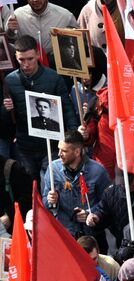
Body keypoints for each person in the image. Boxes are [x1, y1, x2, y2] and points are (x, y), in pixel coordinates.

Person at [1, 35, 78, 182]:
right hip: (24, 147)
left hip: (51, 145)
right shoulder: (10, 81)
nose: (26, 64)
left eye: (30, 59)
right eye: (21, 60)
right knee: (31, 186)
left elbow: (67, 109)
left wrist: (73, 136)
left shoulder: (54, 78)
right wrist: (6, 109)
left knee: (51, 185)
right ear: (15, 57)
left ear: (38, 54)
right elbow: (6, 122)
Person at [42, 131, 110, 241]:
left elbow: (107, 203)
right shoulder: (53, 169)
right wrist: (50, 200)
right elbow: (45, 201)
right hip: (65, 233)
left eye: (64, 151)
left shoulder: (98, 171)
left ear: (77, 152)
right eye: (59, 149)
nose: (59, 154)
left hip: (91, 236)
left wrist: (91, 212)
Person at [6, 0, 79, 53]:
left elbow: (78, 42)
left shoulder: (65, 16)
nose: (35, 0)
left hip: (55, 64)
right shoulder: (17, 15)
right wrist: (10, 31)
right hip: (28, 65)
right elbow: (9, 40)